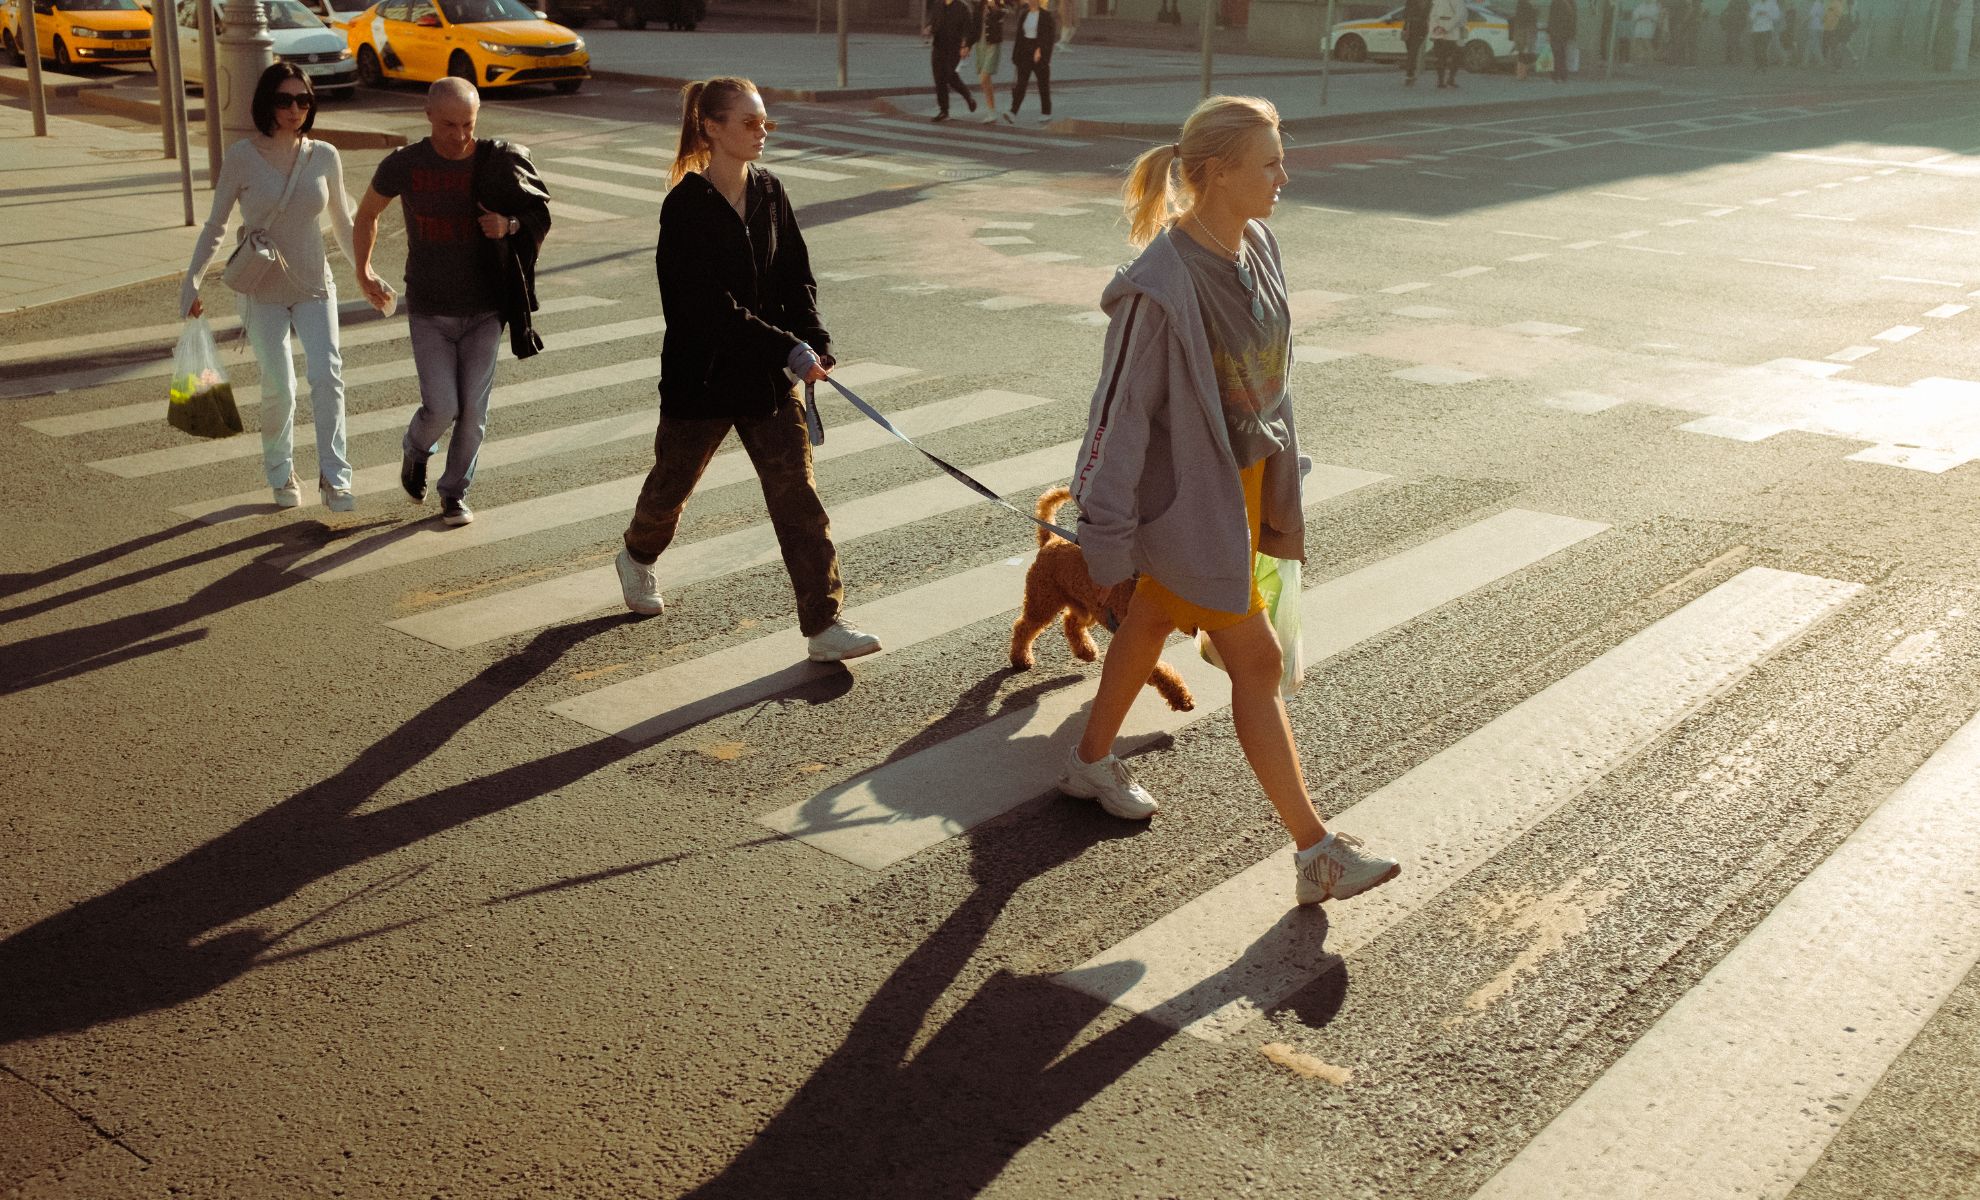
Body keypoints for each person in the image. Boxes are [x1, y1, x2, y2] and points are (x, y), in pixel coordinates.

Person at [1061, 95, 1402, 907]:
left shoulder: (1260, 246)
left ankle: (1088, 762)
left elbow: (1268, 380)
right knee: (1259, 662)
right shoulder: (1160, 289)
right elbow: (1117, 416)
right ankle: (1315, 851)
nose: (1286, 175)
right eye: (1270, 163)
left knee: (1148, 623)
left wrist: (1283, 472)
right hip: (1188, 508)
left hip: (1240, 492)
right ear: (1216, 174)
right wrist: (1104, 537)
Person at [613, 77, 882, 666]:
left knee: (798, 499)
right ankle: (637, 556)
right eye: (750, 123)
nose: (763, 132)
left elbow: (795, 276)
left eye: (766, 123)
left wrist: (814, 341)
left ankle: (824, 623)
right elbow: (705, 309)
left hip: (766, 380)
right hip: (703, 377)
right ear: (711, 128)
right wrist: (787, 347)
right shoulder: (684, 207)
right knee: (669, 490)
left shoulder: (769, 191)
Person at [352, 78, 549, 529]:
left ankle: (454, 493)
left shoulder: (497, 161)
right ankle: (416, 448)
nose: (460, 136)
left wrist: (510, 223)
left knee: (474, 413)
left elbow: (538, 213)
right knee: (442, 407)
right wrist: (363, 271)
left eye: (468, 124)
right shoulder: (405, 164)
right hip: (429, 309)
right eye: (448, 125)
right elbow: (367, 214)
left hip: (485, 309)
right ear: (427, 114)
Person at [180, 63, 358, 512]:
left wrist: (366, 273)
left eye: (303, 100)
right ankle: (281, 470)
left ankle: (335, 478)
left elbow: (342, 224)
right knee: (281, 385)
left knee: (327, 376)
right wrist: (192, 278)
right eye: (285, 100)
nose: (295, 109)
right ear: (266, 103)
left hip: (315, 285)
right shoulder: (242, 155)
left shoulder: (324, 155)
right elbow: (217, 224)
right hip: (261, 289)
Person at [925, 0, 977, 122]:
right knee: (939, 78)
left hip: (954, 48)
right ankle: (944, 111)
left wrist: (965, 46)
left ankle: (967, 95)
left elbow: (968, 28)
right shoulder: (937, 4)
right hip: (938, 46)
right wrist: (929, 27)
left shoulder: (963, 7)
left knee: (950, 75)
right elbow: (933, 20)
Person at [1008, 0, 1058, 125]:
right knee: (1021, 84)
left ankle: (1046, 112)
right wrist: (1016, 56)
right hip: (1025, 51)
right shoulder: (1024, 14)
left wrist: (1040, 49)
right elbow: (1019, 36)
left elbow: (1049, 36)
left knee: (1043, 84)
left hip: (1039, 53)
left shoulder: (1046, 16)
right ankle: (1013, 112)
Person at [973, 0, 1011, 123]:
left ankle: (992, 112)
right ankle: (991, 112)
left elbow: (1005, 11)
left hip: (993, 43)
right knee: (985, 80)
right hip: (980, 43)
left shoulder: (999, 2)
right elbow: (974, 23)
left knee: (984, 77)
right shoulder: (979, 4)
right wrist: (967, 44)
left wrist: (994, 8)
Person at [1428, 0, 1466, 86]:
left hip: (1453, 33)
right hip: (1439, 32)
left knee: (1456, 57)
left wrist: (1446, 28)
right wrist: (1435, 27)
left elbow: (1459, 16)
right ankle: (1441, 80)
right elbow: (1432, 15)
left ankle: (1451, 78)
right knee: (1440, 57)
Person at [1401, 0, 1431, 84]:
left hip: (1415, 27)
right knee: (1412, 51)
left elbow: (1405, 13)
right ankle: (1410, 74)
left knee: (1412, 51)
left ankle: (1409, 75)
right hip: (1413, 27)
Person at [1548, 0, 1578, 78]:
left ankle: (1558, 74)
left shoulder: (1558, 2)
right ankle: (1561, 75)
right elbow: (1573, 19)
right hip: (1561, 33)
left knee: (1559, 54)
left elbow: (1552, 18)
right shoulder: (1570, 3)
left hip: (1559, 33)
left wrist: (1549, 32)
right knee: (1560, 53)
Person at [1513, 0, 1540, 78]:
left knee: (1522, 53)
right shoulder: (1525, 5)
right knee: (1524, 53)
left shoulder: (1521, 4)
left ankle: (1520, 73)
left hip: (1522, 32)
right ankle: (1521, 73)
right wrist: (1535, 8)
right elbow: (1531, 18)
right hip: (1525, 33)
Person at [1748, 0, 1779, 67]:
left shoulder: (1772, 3)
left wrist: (1767, 13)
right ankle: (1758, 64)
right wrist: (1756, 14)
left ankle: (1763, 64)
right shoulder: (1756, 3)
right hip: (1756, 29)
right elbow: (1751, 16)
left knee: (1764, 47)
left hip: (1767, 29)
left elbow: (1776, 16)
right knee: (1756, 47)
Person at [1630, 0, 1658, 66]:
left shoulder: (1654, 6)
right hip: (1639, 25)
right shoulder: (1640, 5)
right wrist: (1640, 17)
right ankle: (1639, 61)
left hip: (1648, 26)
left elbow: (1655, 17)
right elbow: (1635, 14)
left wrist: (1647, 17)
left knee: (1647, 42)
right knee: (1638, 41)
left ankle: (1651, 61)